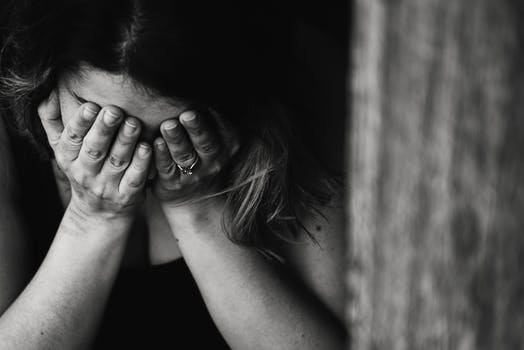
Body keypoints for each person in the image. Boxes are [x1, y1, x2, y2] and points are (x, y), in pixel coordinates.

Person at [0, 0, 346, 348]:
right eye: (102, 120)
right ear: (46, 74)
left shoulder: (305, 83)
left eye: (172, 130)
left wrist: (197, 208)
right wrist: (91, 218)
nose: (135, 155)